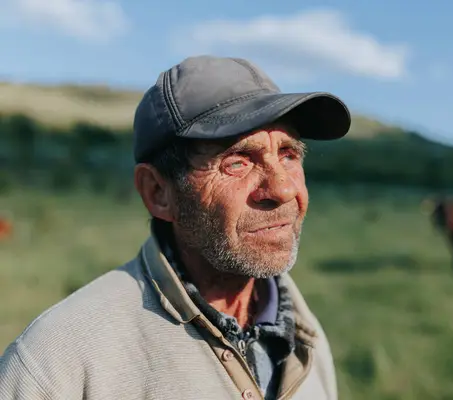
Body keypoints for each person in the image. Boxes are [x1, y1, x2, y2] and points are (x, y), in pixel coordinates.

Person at [0, 55, 351, 399]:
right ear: (158, 193)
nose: (284, 189)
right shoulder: (59, 363)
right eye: (238, 162)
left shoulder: (305, 338)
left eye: (289, 154)